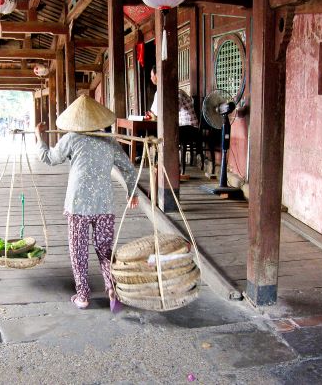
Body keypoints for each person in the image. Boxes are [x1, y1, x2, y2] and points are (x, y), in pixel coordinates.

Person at [35, 95, 139, 311]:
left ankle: (82, 296)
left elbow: (50, 158)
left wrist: (39, 137)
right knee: (104, 249)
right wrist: (132, 192)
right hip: (104, 205)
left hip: (78, 205)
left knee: (78, 250)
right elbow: (129, 168)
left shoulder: (71, 138)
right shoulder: (109, 141)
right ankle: (112, 288)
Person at [145, 65, 200, 174]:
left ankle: (171, 166)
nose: (151, 78)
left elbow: (172, 112)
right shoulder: (158, 92)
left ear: (157, 75)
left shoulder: (177, 92)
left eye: (152, 76)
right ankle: (160, 164)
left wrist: (156, 115)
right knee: (156, 132)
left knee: (167, 133)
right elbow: (153, 112)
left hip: (189, 128)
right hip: (178, 126)